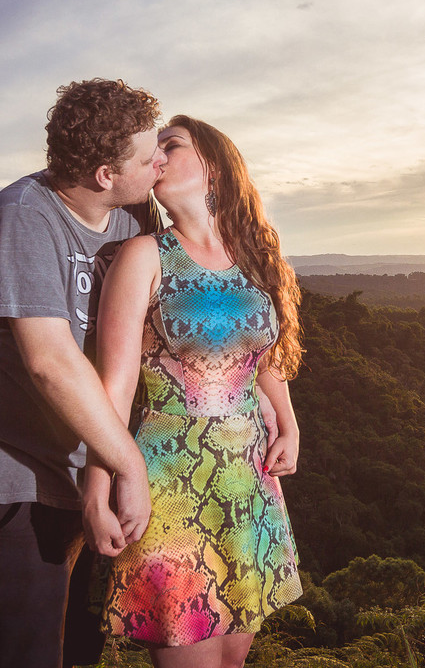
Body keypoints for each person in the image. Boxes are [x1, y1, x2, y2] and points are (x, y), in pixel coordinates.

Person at [0, 78, 167, 668]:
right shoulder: (24, 216)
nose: (160, 160)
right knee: (27, 649)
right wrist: (127, 462)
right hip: (13, 466)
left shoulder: (128, 219)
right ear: (104, 174)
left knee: (79, 648)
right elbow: (51, 362)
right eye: (148, 156)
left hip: (84, 466)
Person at [81, 115, 303, 668]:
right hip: (170, 489)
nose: (156, 157)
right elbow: (115, 387)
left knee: (231, 663)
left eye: (171, 146)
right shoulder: (144, 257)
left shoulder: (253, 256)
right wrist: (96, 489)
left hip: (250, 485)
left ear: (214, 166)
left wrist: (291, 423)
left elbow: (262, 354)